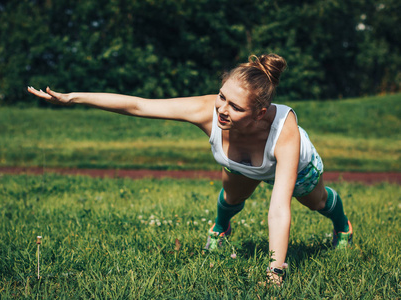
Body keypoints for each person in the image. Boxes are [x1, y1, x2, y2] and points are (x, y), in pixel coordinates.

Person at [27, 53, 353, 285]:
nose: (221, 110)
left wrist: (274, 272)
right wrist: (74, 98)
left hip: (297, 167)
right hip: (243, 165)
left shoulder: (285, 132)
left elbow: (279, 208)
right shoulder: (206, 110)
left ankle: (343, 228)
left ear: (260, 112)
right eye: (222, 97)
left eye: (235, 106)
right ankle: (219, 232)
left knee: (317, 202)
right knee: (230, 197)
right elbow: (139, 105)